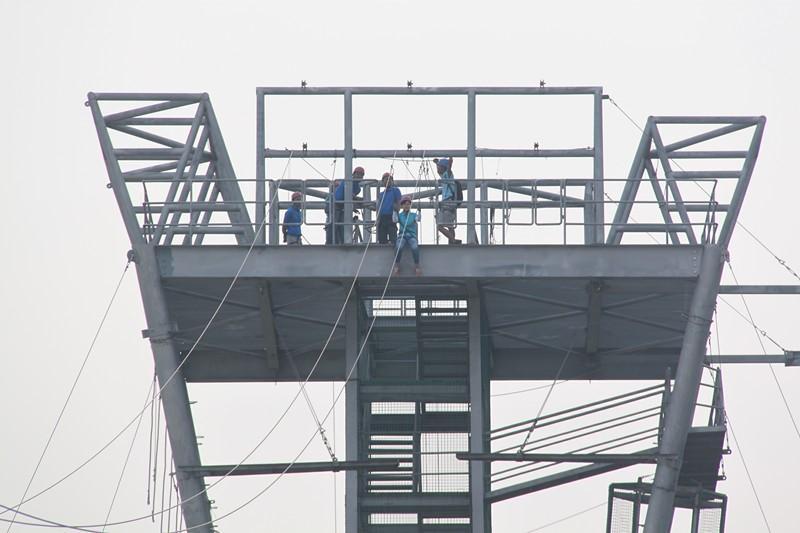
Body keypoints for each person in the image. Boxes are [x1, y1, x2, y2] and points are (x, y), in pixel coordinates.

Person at [332, 166, 365, 244]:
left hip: (343, 207)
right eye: (358, 174)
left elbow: (350, 198)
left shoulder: (357, 189)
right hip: (335, 205)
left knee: (342, 225)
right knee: (333, 225)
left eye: (361, 175)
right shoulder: (347, 181)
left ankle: (341, 242)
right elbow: (348, 195)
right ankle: (331, 242)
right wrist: (359, 200)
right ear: (353, 174)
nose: (359, 176)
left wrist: (353, 207)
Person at [434, 157, 461, 244]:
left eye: (439, 167)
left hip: (448, 202)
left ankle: (453, 240)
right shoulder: (444, 176)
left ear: (444, 167)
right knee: (450, 226)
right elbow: (440, 171)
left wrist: (450, 163)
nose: (438, 169)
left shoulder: (448, 175)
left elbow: (449, 170)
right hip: (450, 202)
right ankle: (452, 241)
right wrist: (437, 163)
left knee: (439, 226)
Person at [394, 195, 421, 276]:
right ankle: (397, 265)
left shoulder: (413, 215)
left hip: (411, 236)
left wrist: (419, 211)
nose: (406, 206)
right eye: (405, 204)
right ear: (402, 206)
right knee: (399, 247)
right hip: (402, 235)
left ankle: (417, 265)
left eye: (408, 204)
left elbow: (418, 219)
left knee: (415, 247)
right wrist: (394, 211)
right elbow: (394, 220)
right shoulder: (400, 215)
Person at [376, 171, 401, 245]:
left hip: (391, 216)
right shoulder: (381, 194)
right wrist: (378, 219)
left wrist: (397, 208)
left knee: (393, 237)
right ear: (383, 181)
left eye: (390, 179)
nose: (388, 181)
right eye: (386, 179)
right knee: (382, 238)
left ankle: (394, 250)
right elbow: (379, 207)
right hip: (382, 217)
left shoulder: (395, 190)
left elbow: (398, 203)